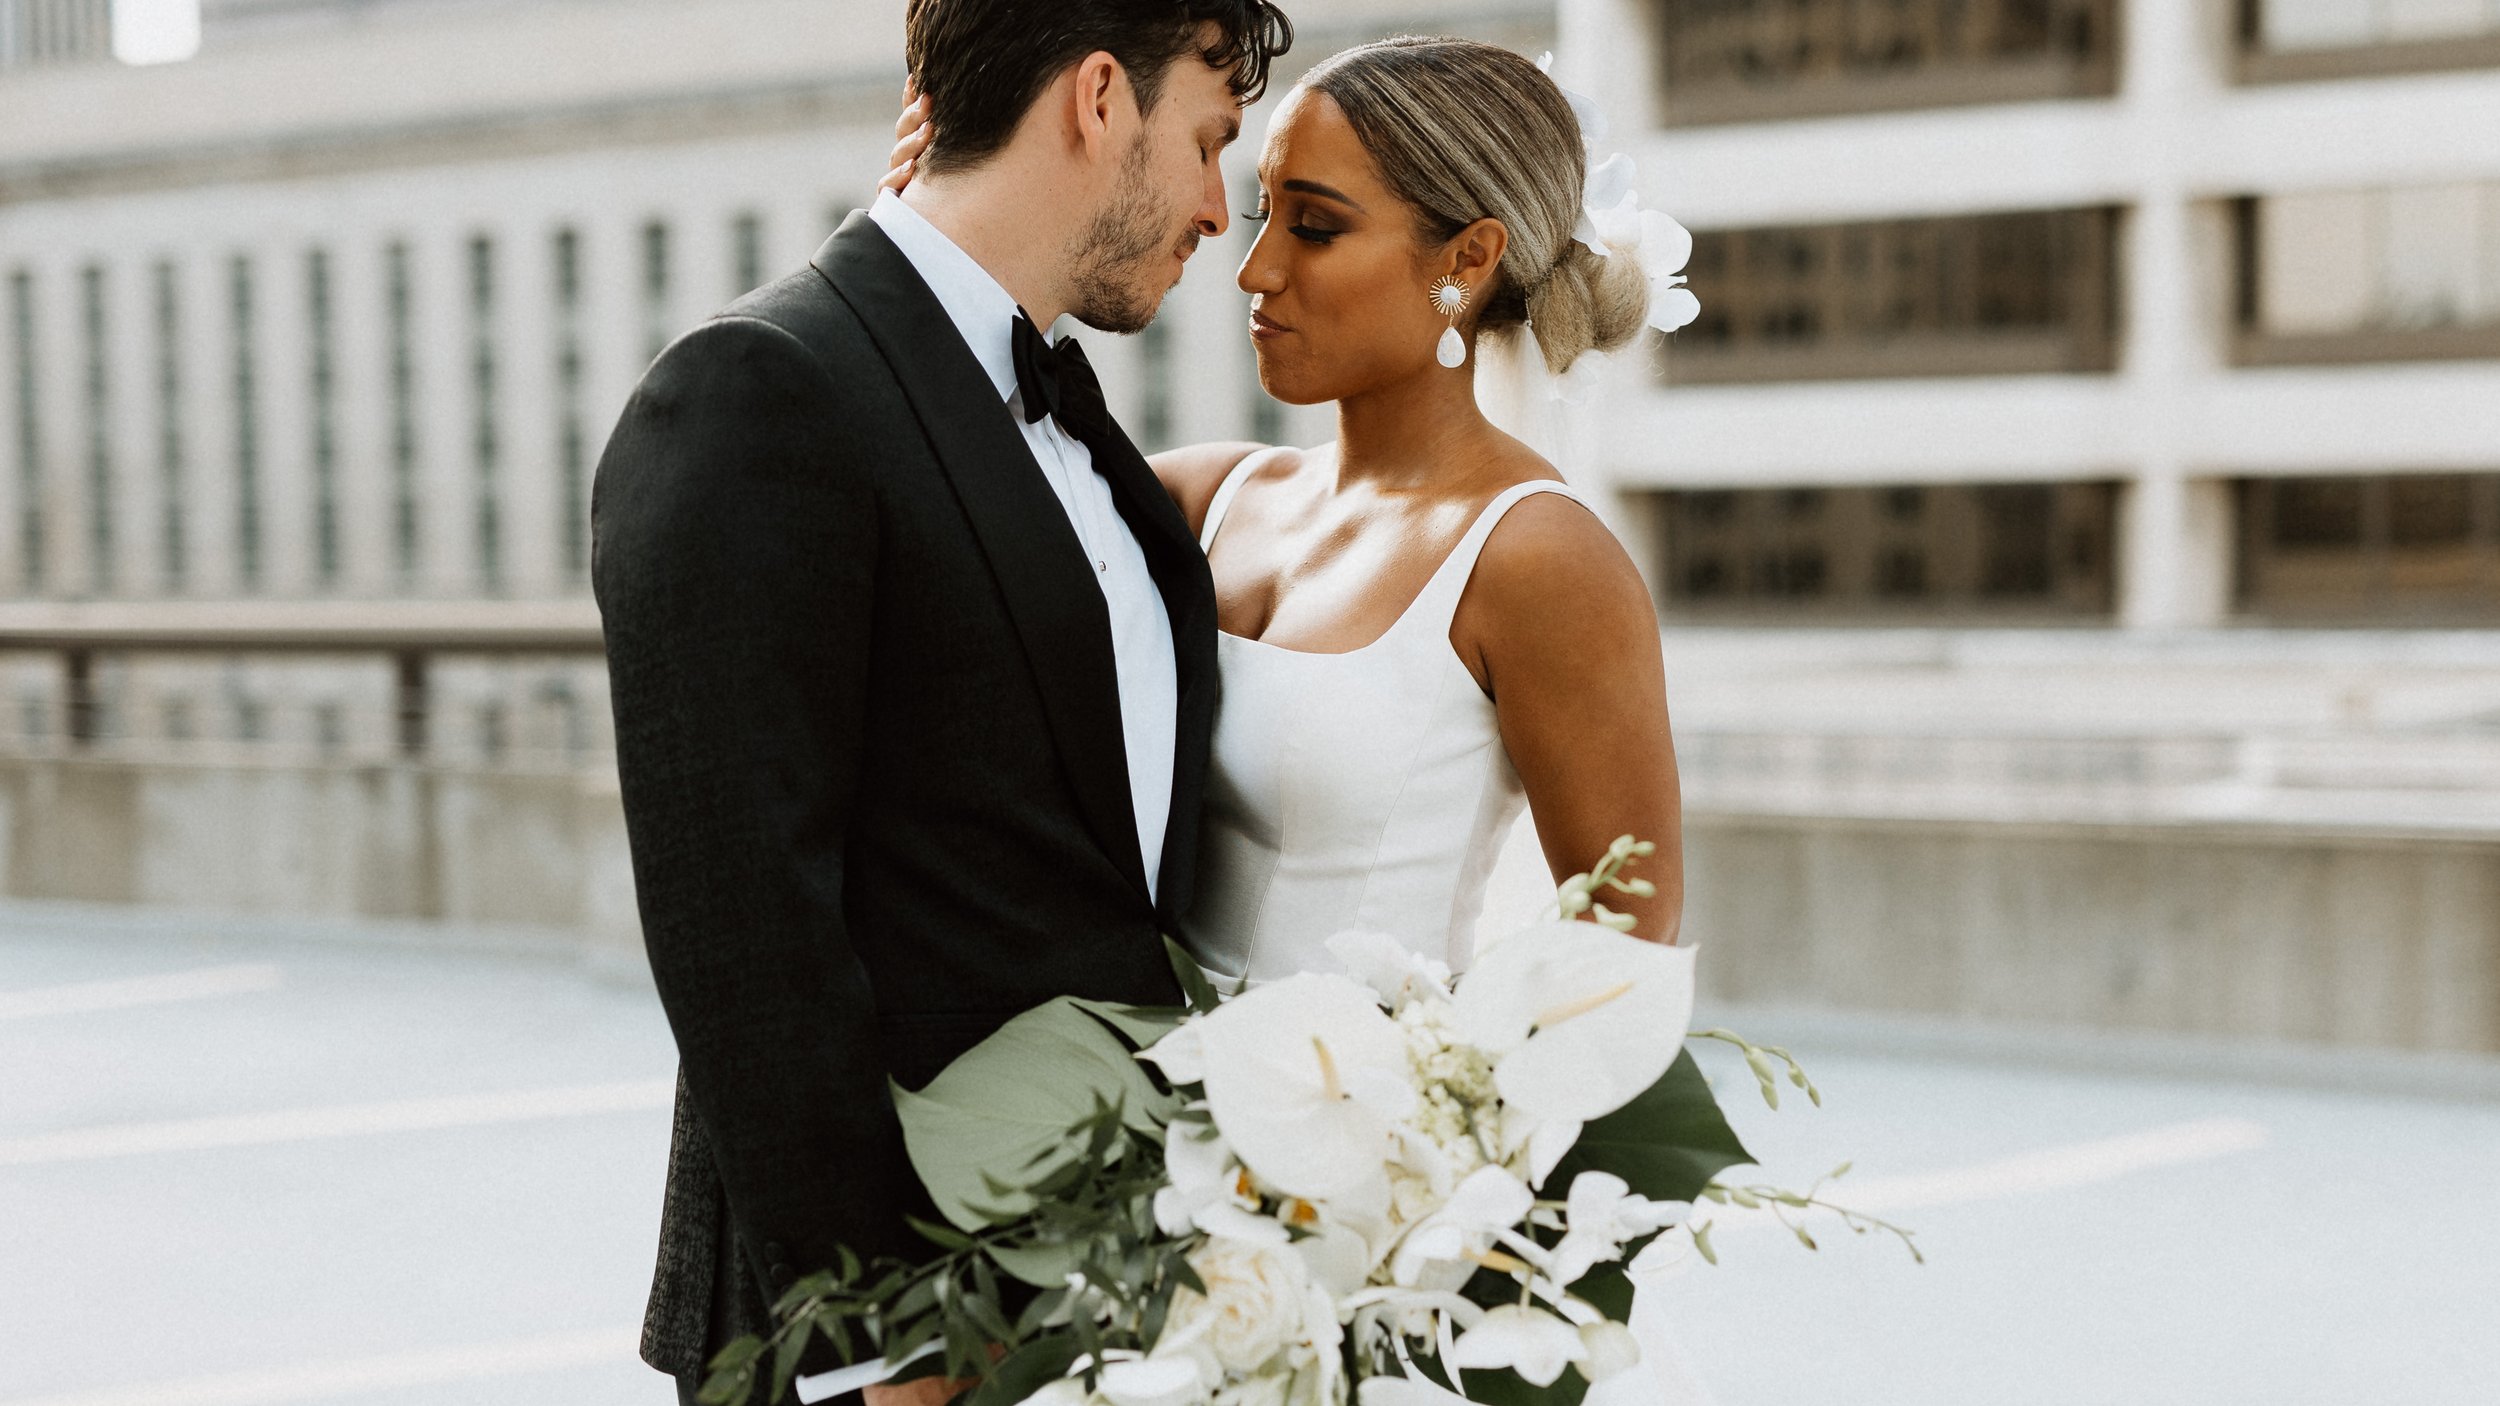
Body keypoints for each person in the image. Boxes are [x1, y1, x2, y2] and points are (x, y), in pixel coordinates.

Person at [881, 33, 1704, 1403]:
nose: (1254, 269)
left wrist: (1437, 1248)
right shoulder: (1203, 501)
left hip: (1357, 1247)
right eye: (1260, 213)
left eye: (1313, 229)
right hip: (1114, 1205)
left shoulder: (1539, 558)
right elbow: (950, 501)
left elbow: (1621, 974)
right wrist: (922, 225)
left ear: (1467, 255)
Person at [590, 3, 1294, 1402]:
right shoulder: (752, 392)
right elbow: (741, 932)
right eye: (1212, 144)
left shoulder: (1061, 411)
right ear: (1100, 98)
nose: (1221, 211)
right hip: (881, 1336)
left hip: (1113, 1279)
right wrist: (892, 1340)